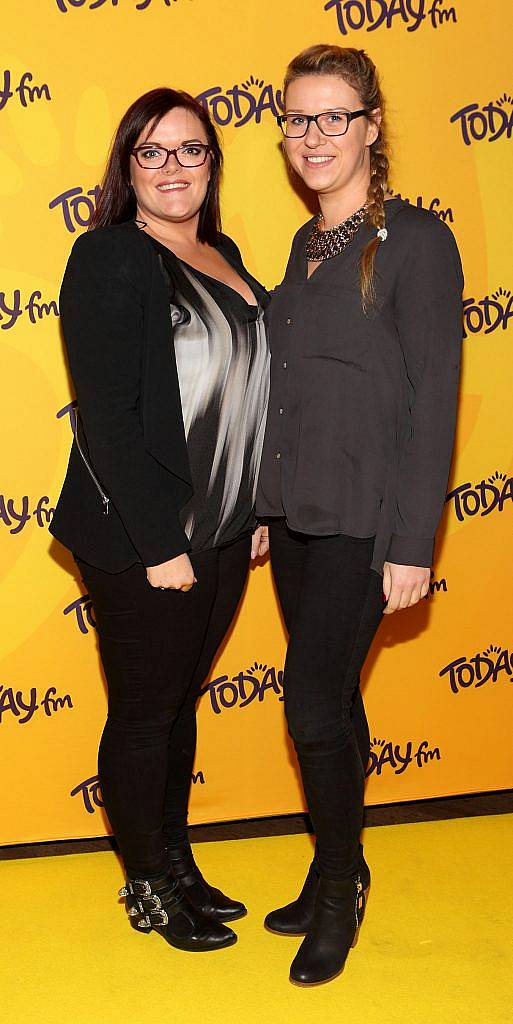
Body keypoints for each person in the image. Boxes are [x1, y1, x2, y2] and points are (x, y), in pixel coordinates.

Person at [255, 44, 464, 985]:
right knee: (333, 700)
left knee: (308, 706)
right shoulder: (305, 245)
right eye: (299, 118)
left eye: (334, 116)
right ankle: (335, 861)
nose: (314, 136)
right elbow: (292, 389)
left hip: (366, 522)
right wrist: (264, 499)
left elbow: (432, 397)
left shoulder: (415, 239)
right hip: (300, 517)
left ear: (372, 125)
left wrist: (412, 542)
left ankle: (340, 890)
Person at [50, 87, 270, 953]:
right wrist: (159, 543)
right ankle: (145, 886)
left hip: (220, 524)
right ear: (128, 166)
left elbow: (246, 397)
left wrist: (251, 509)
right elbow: (105, 413)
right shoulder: (109, 255)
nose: (173, 167)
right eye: (152, 152)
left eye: (190, 149)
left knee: (178, 706)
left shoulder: (223, 252)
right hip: (147, 537)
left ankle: (176, 865)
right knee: (145, 713)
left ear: (212, 161)